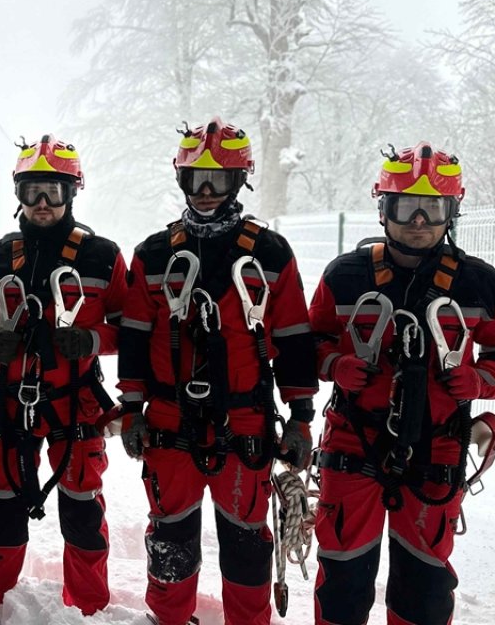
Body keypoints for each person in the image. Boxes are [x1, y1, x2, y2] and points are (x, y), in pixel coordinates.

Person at [309, 142, 495, 625]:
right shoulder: (345, 276)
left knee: (425, 581)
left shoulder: (479, 283)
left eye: (433, 209)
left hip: (439, 446)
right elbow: (311, 341)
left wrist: (480, 380)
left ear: (452, 212)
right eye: (407, 207)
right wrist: (333, 366)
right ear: (384, 209)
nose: (419, 221)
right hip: (353, 443)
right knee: (343, 574)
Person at [116, 117, 319, 625]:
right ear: (181, 180)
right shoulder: (154, 254)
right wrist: (131, 408)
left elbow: (293, 336)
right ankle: (168, 618)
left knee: (246, 542)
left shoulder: (270, 254)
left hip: (244, 424)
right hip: (166, 421)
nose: (206, 190)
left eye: (219, 179)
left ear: (240, 181)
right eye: (196, 178)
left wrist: (300, 417)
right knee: (170, 538)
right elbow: (136, 337)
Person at [0, 134, 127, 623]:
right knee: (3, 513)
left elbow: (130, 326)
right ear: (17, 194)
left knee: (82, 512)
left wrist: (94, 339)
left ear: (72, 192)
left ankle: (89, 607)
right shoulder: (0, 256)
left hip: (74, 404)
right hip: (12, 403)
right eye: (31, 191)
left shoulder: (101, 255)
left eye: (52, 191)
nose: (41, 203)